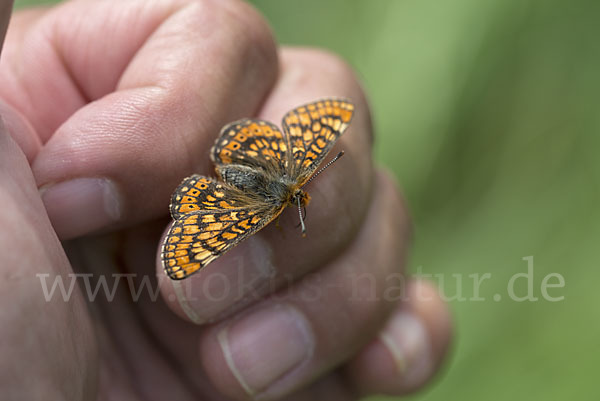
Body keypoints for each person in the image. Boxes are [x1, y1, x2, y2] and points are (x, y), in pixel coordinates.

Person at [0, 0, 451, 399]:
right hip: (245, 176)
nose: (300, 202)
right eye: (297, 201)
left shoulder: (280, 197)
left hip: (242, 177)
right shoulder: (287, 188)